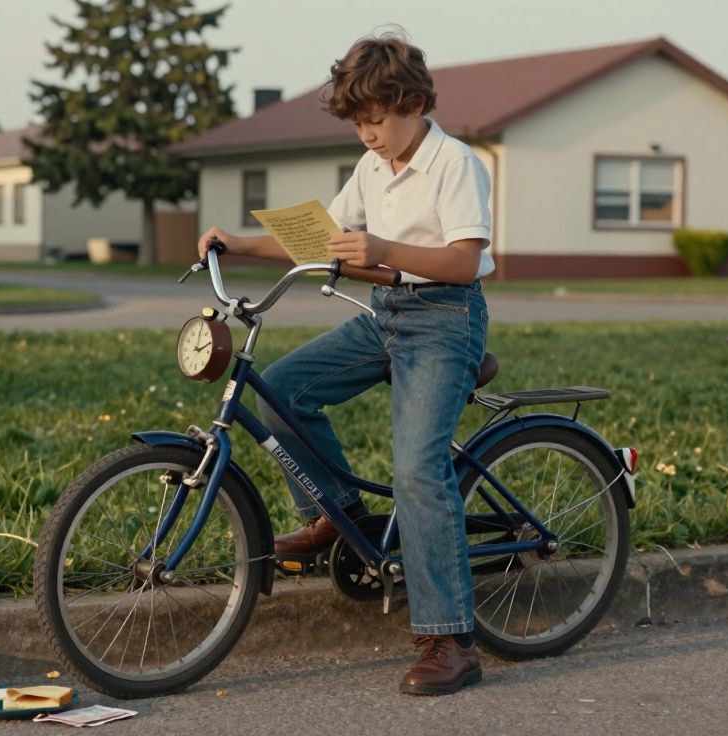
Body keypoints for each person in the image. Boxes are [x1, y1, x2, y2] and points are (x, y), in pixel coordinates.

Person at [196, 31, 494, 696]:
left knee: (418, 468)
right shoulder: (372, 167)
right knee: (283, 389)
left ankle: (450, 640)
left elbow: (464, 260)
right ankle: (341, 516)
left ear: (414, 103)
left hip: (446, 317)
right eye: (358, 122)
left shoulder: (455, 162)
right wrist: (237, 243)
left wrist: (384, 245)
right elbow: (323, 240)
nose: (367, 134)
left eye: (377, 120)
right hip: (386, 312)